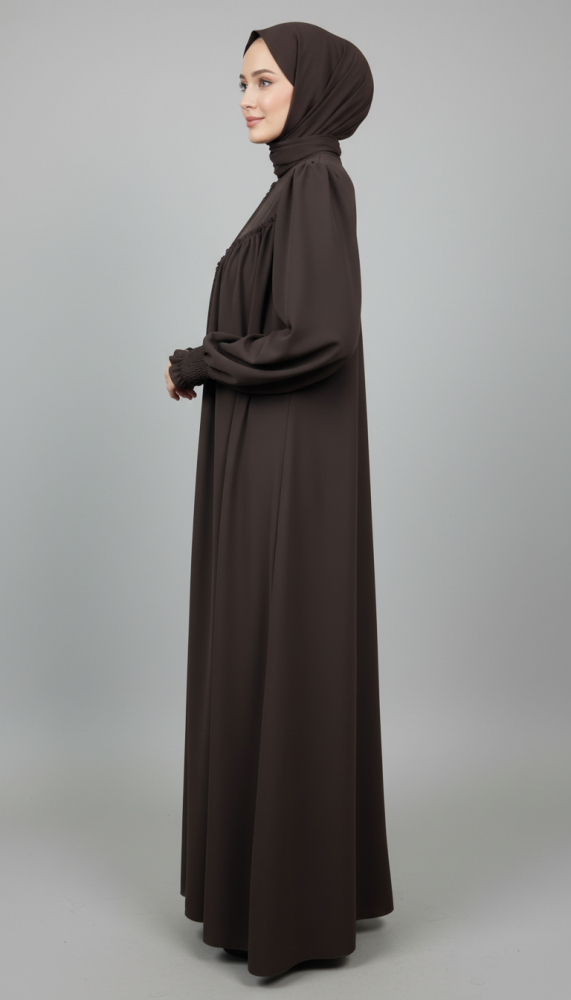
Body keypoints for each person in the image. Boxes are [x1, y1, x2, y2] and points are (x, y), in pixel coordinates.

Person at [164, 21, 394, 979]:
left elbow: (319, 334)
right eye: (241, 83)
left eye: (265, 80)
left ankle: (286, 910)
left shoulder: (314, 185)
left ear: (313, 89)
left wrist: (201, 360)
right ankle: (284, 889)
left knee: (279, 647)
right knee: (268, 651)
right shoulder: (290, 188)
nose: (248, 99)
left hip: (289, 461)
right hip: (270, 449)